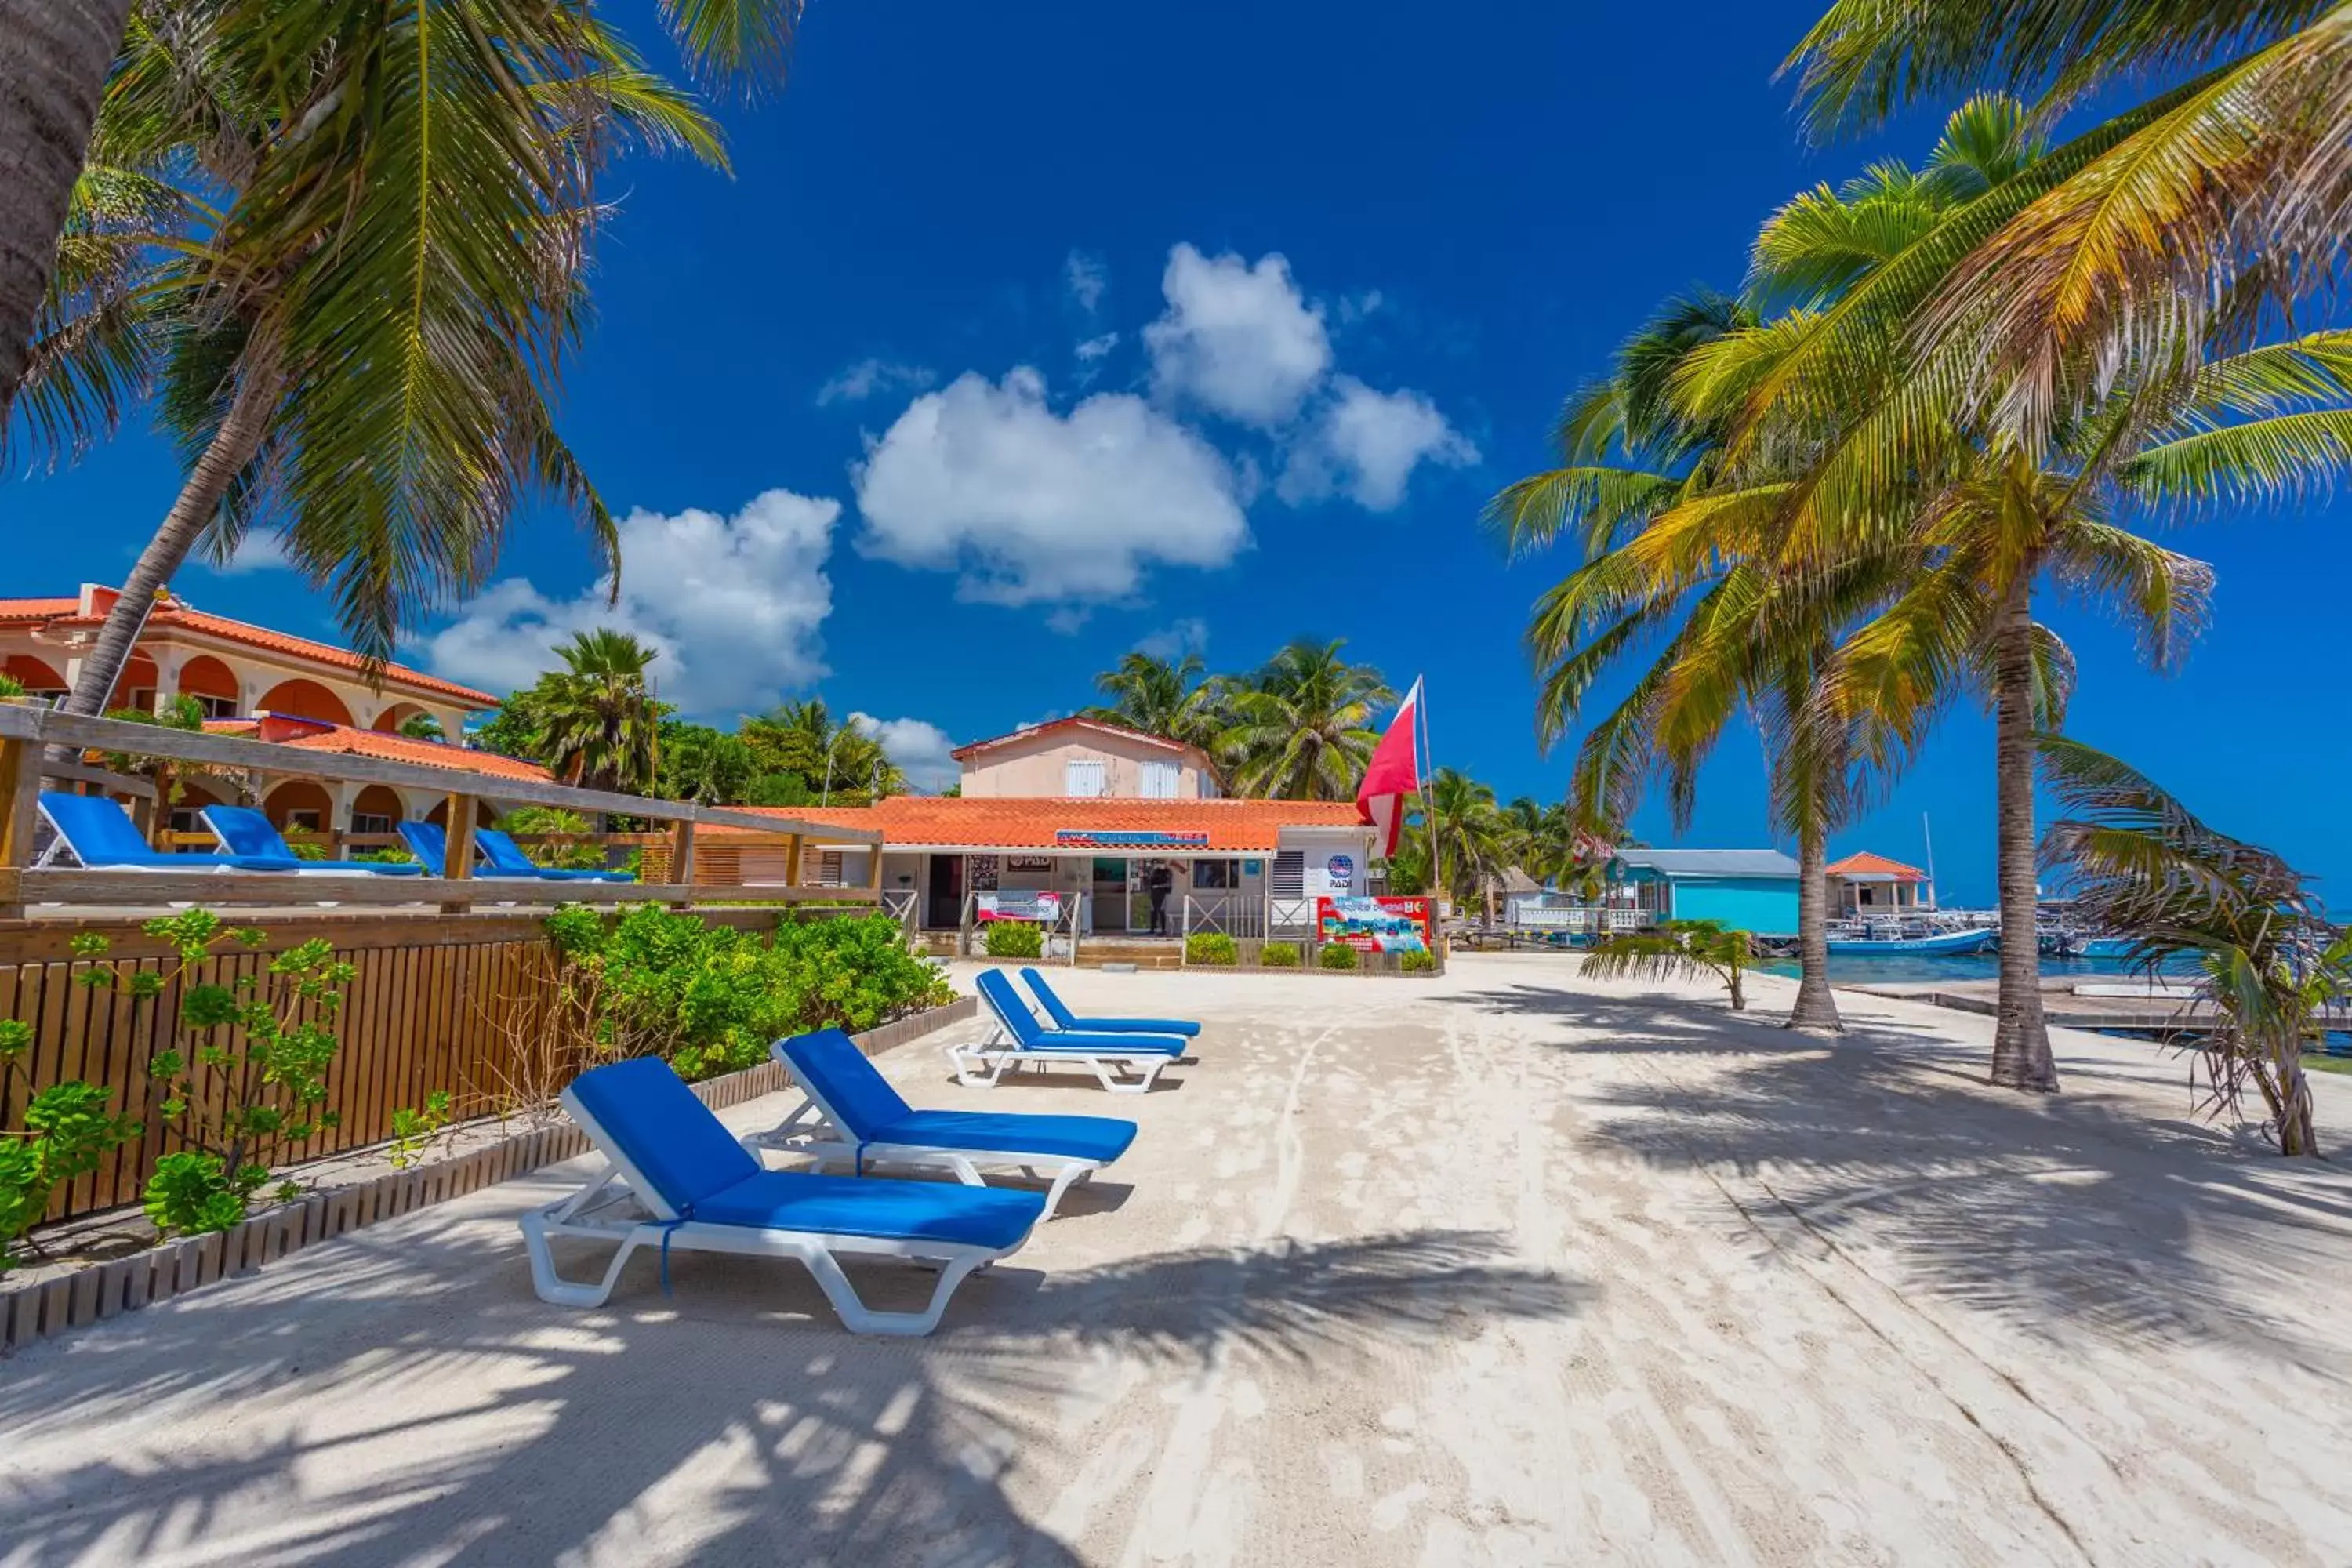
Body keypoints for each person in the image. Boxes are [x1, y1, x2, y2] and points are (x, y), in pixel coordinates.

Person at [1147, 862, 1174, 935]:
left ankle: (1163, 930)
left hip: (1163, 895)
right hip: (1154, 895)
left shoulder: (1167, 872)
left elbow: (1168, 884)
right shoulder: (1155, 872)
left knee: (1162, 911)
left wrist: (1158, 886)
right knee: (1153, 912)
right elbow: (1150, 882)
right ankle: (1152, 929)